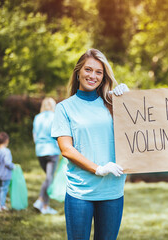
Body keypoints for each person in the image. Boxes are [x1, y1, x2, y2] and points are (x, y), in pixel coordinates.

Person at [51, 48, 129, 239]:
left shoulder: (113, 104)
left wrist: (129, 100)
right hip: (80, 193)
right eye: (88, 70)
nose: (92, 75)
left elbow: (143, 127)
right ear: (78, 72)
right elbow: (66, 149)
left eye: (98, 72)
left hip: (112, 191)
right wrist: (98, 168)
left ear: (104, 77)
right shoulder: (64, 108)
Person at [32, 97, 61, 214]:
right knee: (49, 178)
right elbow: (57, 135)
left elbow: (34, 136)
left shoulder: (37, 118)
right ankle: (40, 200)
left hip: (40, 151)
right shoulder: (55, 117)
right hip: (52, 151)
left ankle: (45, 206)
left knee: (49, 178)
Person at [0, 132, 15, 212]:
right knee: (4, 190)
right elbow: (8, 163)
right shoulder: (7, 151)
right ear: (7, 140)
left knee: (1, 189)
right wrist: (13, 166)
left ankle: (1, 203)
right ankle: (1, 206)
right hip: (5, 175)